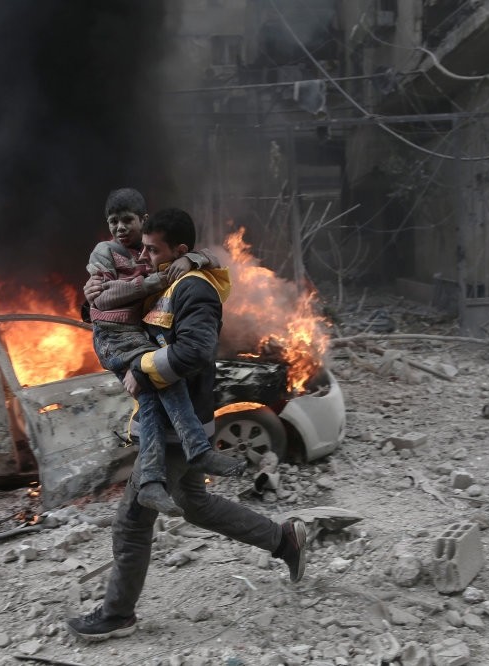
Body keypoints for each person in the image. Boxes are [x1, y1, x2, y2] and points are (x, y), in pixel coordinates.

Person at [67, 207, 308, 642]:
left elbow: (194, 352)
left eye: (153, 249)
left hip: (182, 428)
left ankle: (117, 614)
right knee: (195, 503)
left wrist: (140, 370)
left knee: (132, 521)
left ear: (178, 250)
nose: (144, 254)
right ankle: (283, 540)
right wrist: (95, 302)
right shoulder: (170, 278)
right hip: (174, 418)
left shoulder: (194, 290)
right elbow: (135, 313)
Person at [86, 188, 245, 518]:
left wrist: (192, 259)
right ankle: (180, 464)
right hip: (122, 346)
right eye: (112, 222)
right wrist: (91, 301)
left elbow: (193, 349)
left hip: (174, 407)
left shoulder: (187, 282)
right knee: (188, 503)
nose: (120, 228)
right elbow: (102, 299)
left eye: (126, 220)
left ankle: (157, 481)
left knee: (160, 517)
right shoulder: (120, 256)